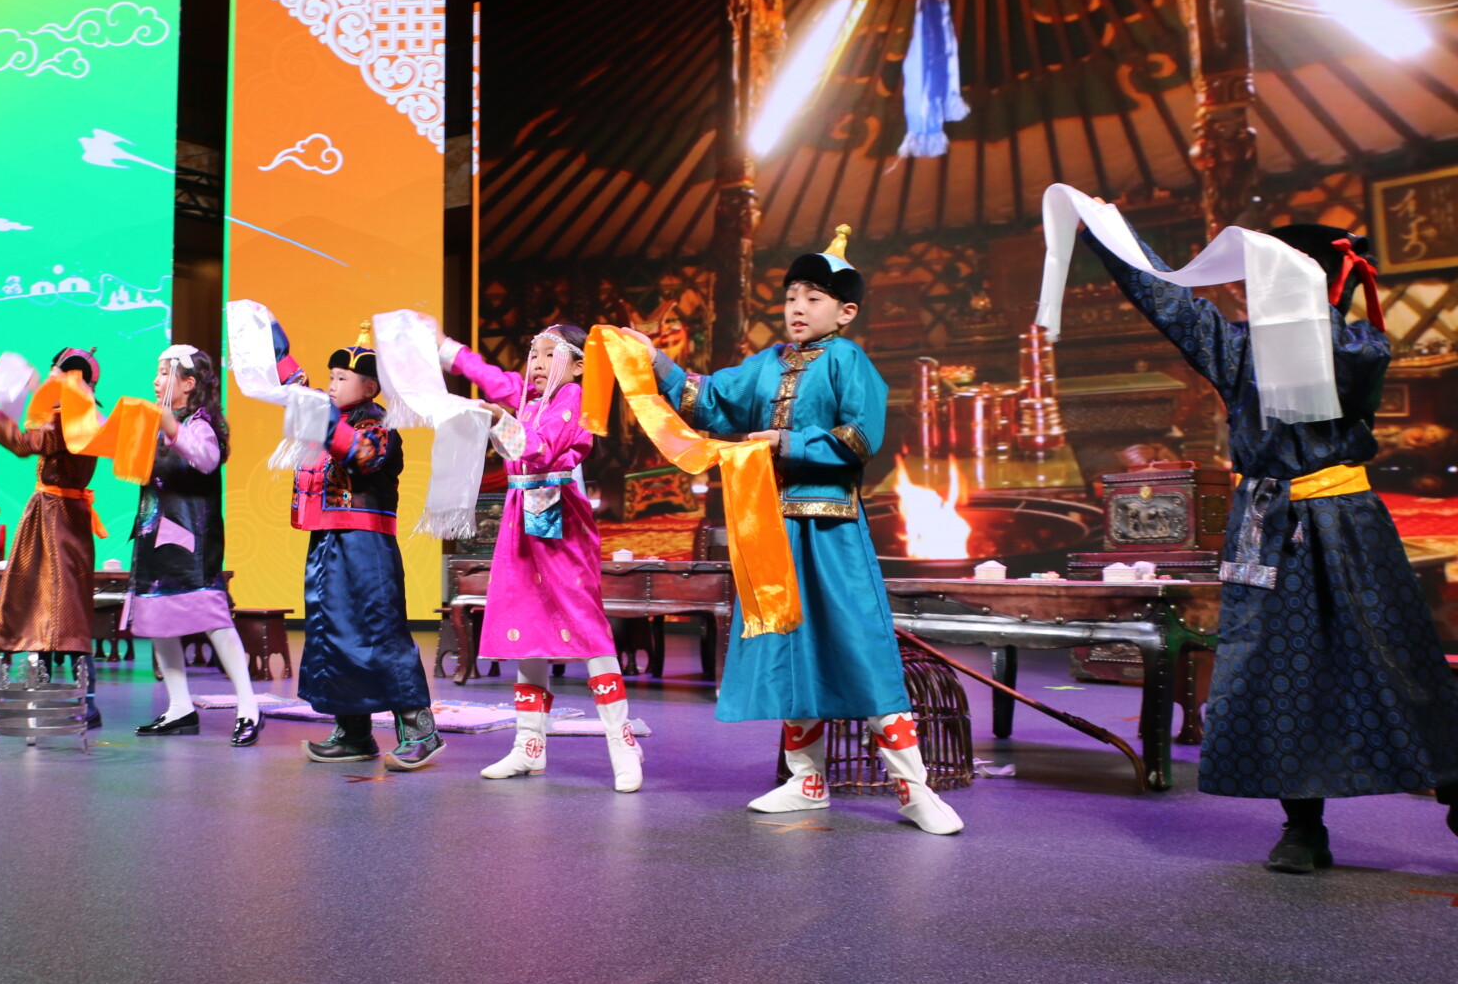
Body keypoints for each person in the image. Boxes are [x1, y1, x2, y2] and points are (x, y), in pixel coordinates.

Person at [1080, 218, 1458, 872]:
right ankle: (1303, 827)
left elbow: (1333, 364)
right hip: (1267, 526)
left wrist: (1311, 302)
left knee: (1398, 661)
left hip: (1346, 521)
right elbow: (1166, 297)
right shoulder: (1236, 347)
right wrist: (1108, 234)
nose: (1253, 286)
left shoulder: (1358, 346)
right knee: (1277, 671)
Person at [629, 236, 963, 834]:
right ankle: (806, 780)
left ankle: (913, 789)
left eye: (813, 298)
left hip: (830, 528)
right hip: (772, 528)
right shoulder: (766, 364)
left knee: (860, 644)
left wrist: (786, 442)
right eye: (790, 298)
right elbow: (709, 400)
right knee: (791, 648)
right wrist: (655, 361)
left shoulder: (847, 360)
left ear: (846, 312)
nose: (797, 308)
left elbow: (861, 436)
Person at [432, 321, 640, 791]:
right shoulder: (528, 397)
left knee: (586, 625)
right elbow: (491, 378)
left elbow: (540, 451)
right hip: (520, 516)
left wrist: (498, 421)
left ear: (579, 366)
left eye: (550, 354)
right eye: (534, 354)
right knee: (526, 624)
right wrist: (444, 346)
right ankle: (529, 744)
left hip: (560, 518)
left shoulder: (574, 400)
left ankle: (621, 741)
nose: (539, 364)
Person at [269, 322, 442, 769]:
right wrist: (273, 347)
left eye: (341, 378)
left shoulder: (379, 424)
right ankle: (353, 732)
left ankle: (420, 731)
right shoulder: (333, 416)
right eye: (330, 377)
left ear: (368, 387)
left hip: (366, 545)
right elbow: (297, 389)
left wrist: (321, 415)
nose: (331, 385)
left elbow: (364, 456)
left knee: (380, 633)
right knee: (332, 631)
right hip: (328, 540)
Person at [128, 345, 263, 746]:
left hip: (191, 539)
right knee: (158, 618)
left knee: (212, 617)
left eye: (164, 374)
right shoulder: (159, 423)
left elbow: (206, 458)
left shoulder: (200, 423)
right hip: (154, 536)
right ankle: (180, 707)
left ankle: (249, 707)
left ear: (188, 384)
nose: (156, 381)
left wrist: (171, 426)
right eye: (156, 373)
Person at [0, 348, 104, 727]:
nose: (48, 379)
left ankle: (82, 700)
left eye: (54, 373)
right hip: (61, 515)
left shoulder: (71, 415)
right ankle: (46, 695)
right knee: (48, 604)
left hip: (56, 517)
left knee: (60, 606)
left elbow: (23, 442)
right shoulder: (81, 411)